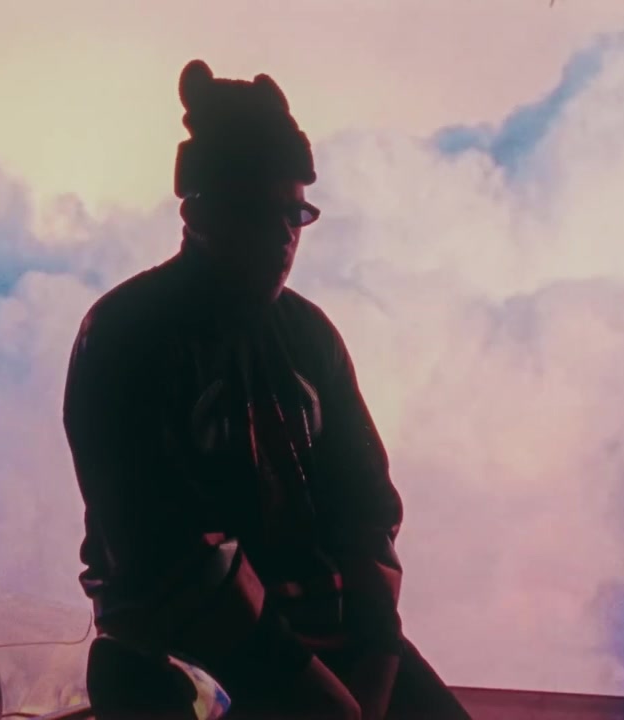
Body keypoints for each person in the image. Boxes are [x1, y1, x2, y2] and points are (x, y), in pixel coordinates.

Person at [62, 59, 471, 720]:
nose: (284, 234)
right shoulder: (126, 335)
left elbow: (367, 507)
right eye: (260, 210)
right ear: (198, 211)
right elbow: (164, 547)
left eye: (296, 213)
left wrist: (376, 655)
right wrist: (314, 693)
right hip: (178, 650)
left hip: (336, 643)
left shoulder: (310, 336)